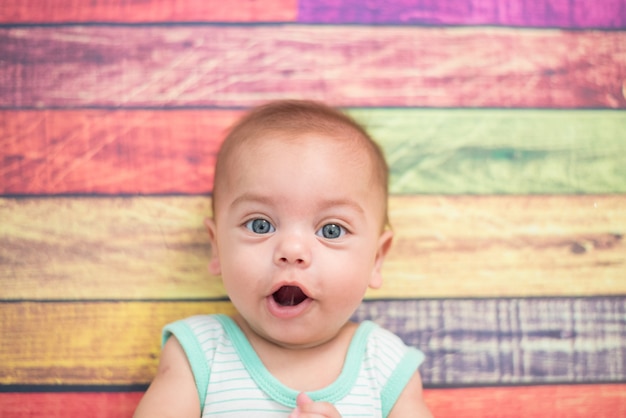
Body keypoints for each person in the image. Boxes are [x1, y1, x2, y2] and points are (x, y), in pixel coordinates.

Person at [134, 100, 433, 417]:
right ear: (217, 247)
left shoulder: (386, 366)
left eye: (331, 230)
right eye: (260, 225)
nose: (292, 250)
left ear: (376, 259)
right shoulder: (198, 354)